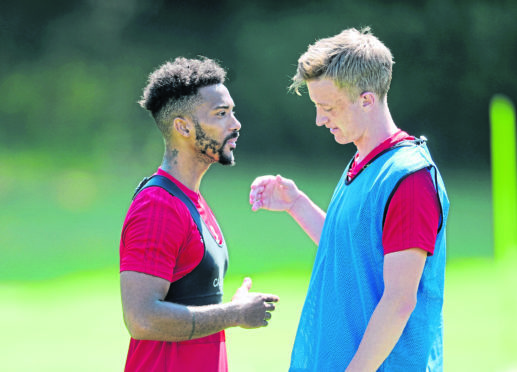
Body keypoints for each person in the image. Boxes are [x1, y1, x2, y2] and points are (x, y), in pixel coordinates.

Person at [249, 27, 449, 371]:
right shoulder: (363, 161)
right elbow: (353, 252)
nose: (319, 119)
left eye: (327, 107)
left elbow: (400, 300)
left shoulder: (409, 179)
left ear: (367, 99)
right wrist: (297, 204)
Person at [120, 56, 279, 372]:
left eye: (232, 112)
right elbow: (141, 319)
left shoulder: (191, 200)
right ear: (182, 127)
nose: (235, 124)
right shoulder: (158, 206)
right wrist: (234, 313)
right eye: (221, 114)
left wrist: (226, 309)